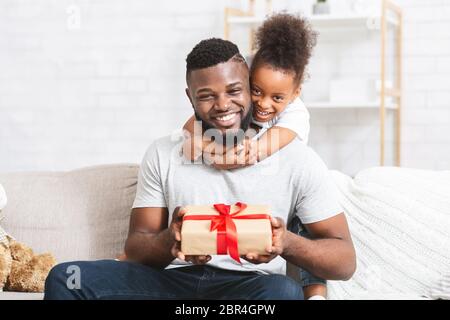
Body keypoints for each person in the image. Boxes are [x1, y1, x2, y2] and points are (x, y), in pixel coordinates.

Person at [44, 37, 356, 300]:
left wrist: (285, 242)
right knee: (66, 278)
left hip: (249, 288)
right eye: (206, 96)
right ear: (190, 98)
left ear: (250, 87)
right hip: (171, 285)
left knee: (283, 293)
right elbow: (137, 248)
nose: (222, 105)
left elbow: (344, 261)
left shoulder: (296, 157)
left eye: (234, 91)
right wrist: (171, 240)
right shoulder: (164, 152)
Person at [182, 14, 326, 299]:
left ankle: (316, 291)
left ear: (295, 94)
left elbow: (256, 150)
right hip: (262, 184)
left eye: (277, 98)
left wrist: (222, 158)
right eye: (256, 91)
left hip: (293, 185)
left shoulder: (295, 115)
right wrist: (207, 147)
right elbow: (189, 129)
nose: (262, 103)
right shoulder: (237, 101)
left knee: (305, 227)